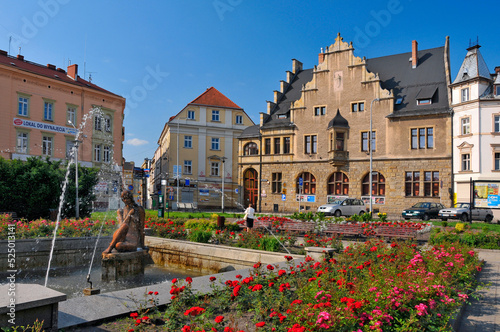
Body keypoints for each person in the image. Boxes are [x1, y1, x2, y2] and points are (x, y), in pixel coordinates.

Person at [102, 190, 145, 255]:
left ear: (131, 198)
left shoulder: (139, 210)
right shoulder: (120, 211)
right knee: (124, 225)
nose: (125, 200)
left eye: (127, 198)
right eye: (123, 198)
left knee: (118, 246)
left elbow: (141, 229)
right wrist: (129, 215)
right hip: (122, 237)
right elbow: (122, 226)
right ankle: (110, 246)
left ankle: (112, 245)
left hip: (132, 241)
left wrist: (142, 245)